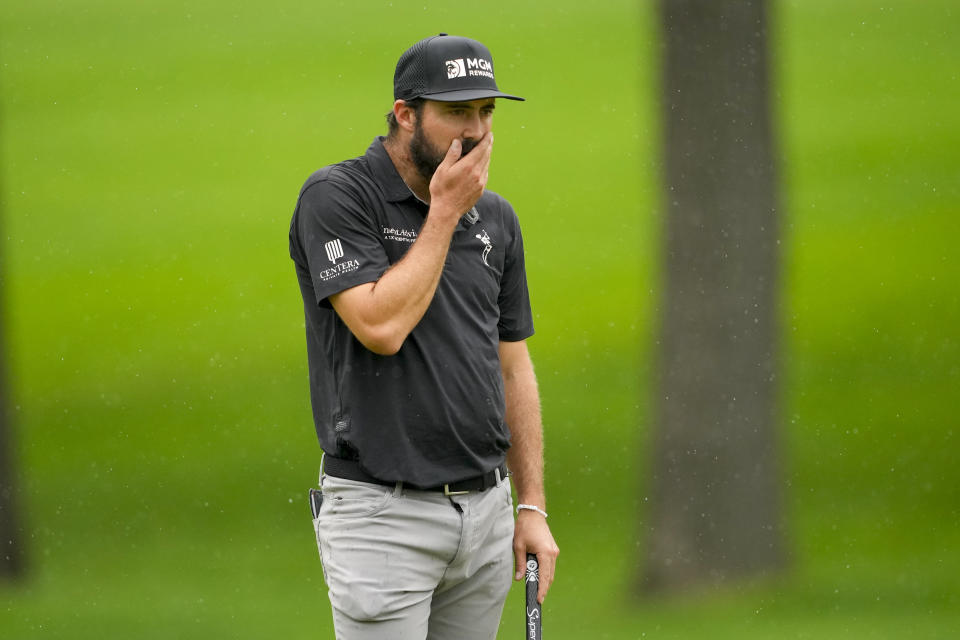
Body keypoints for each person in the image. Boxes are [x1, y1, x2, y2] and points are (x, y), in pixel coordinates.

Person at [289, 33, 558, 639]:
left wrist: (530, 505)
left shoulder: (495, 218)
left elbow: (512, 367)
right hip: (384, 518)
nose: (478, 130)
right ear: (406, 114)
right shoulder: (337, 198)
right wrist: (442, 215)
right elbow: (380, 327)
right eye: (457, 112)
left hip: (485, 515)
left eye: (486, 111)